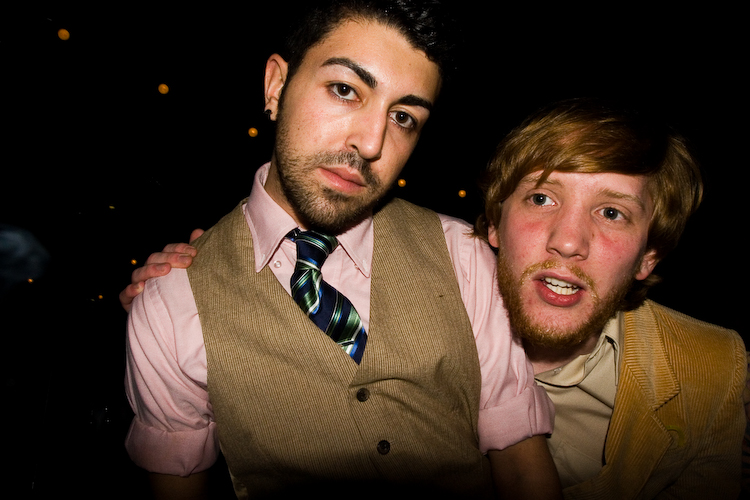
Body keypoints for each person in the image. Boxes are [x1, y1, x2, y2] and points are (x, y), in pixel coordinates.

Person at [122, 1, 558, 499]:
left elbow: (521, 467)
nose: (371, 143)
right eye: (345, 90)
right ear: (276, 86)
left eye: (403, 117)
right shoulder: (171, 304)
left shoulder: (463, 255)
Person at [474, 97, 746, 499]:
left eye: (611, 213)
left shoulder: (712, 370)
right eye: (542, 198)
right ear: (496, 223)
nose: (568, 242)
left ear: (647, 256)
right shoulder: (416, 319)